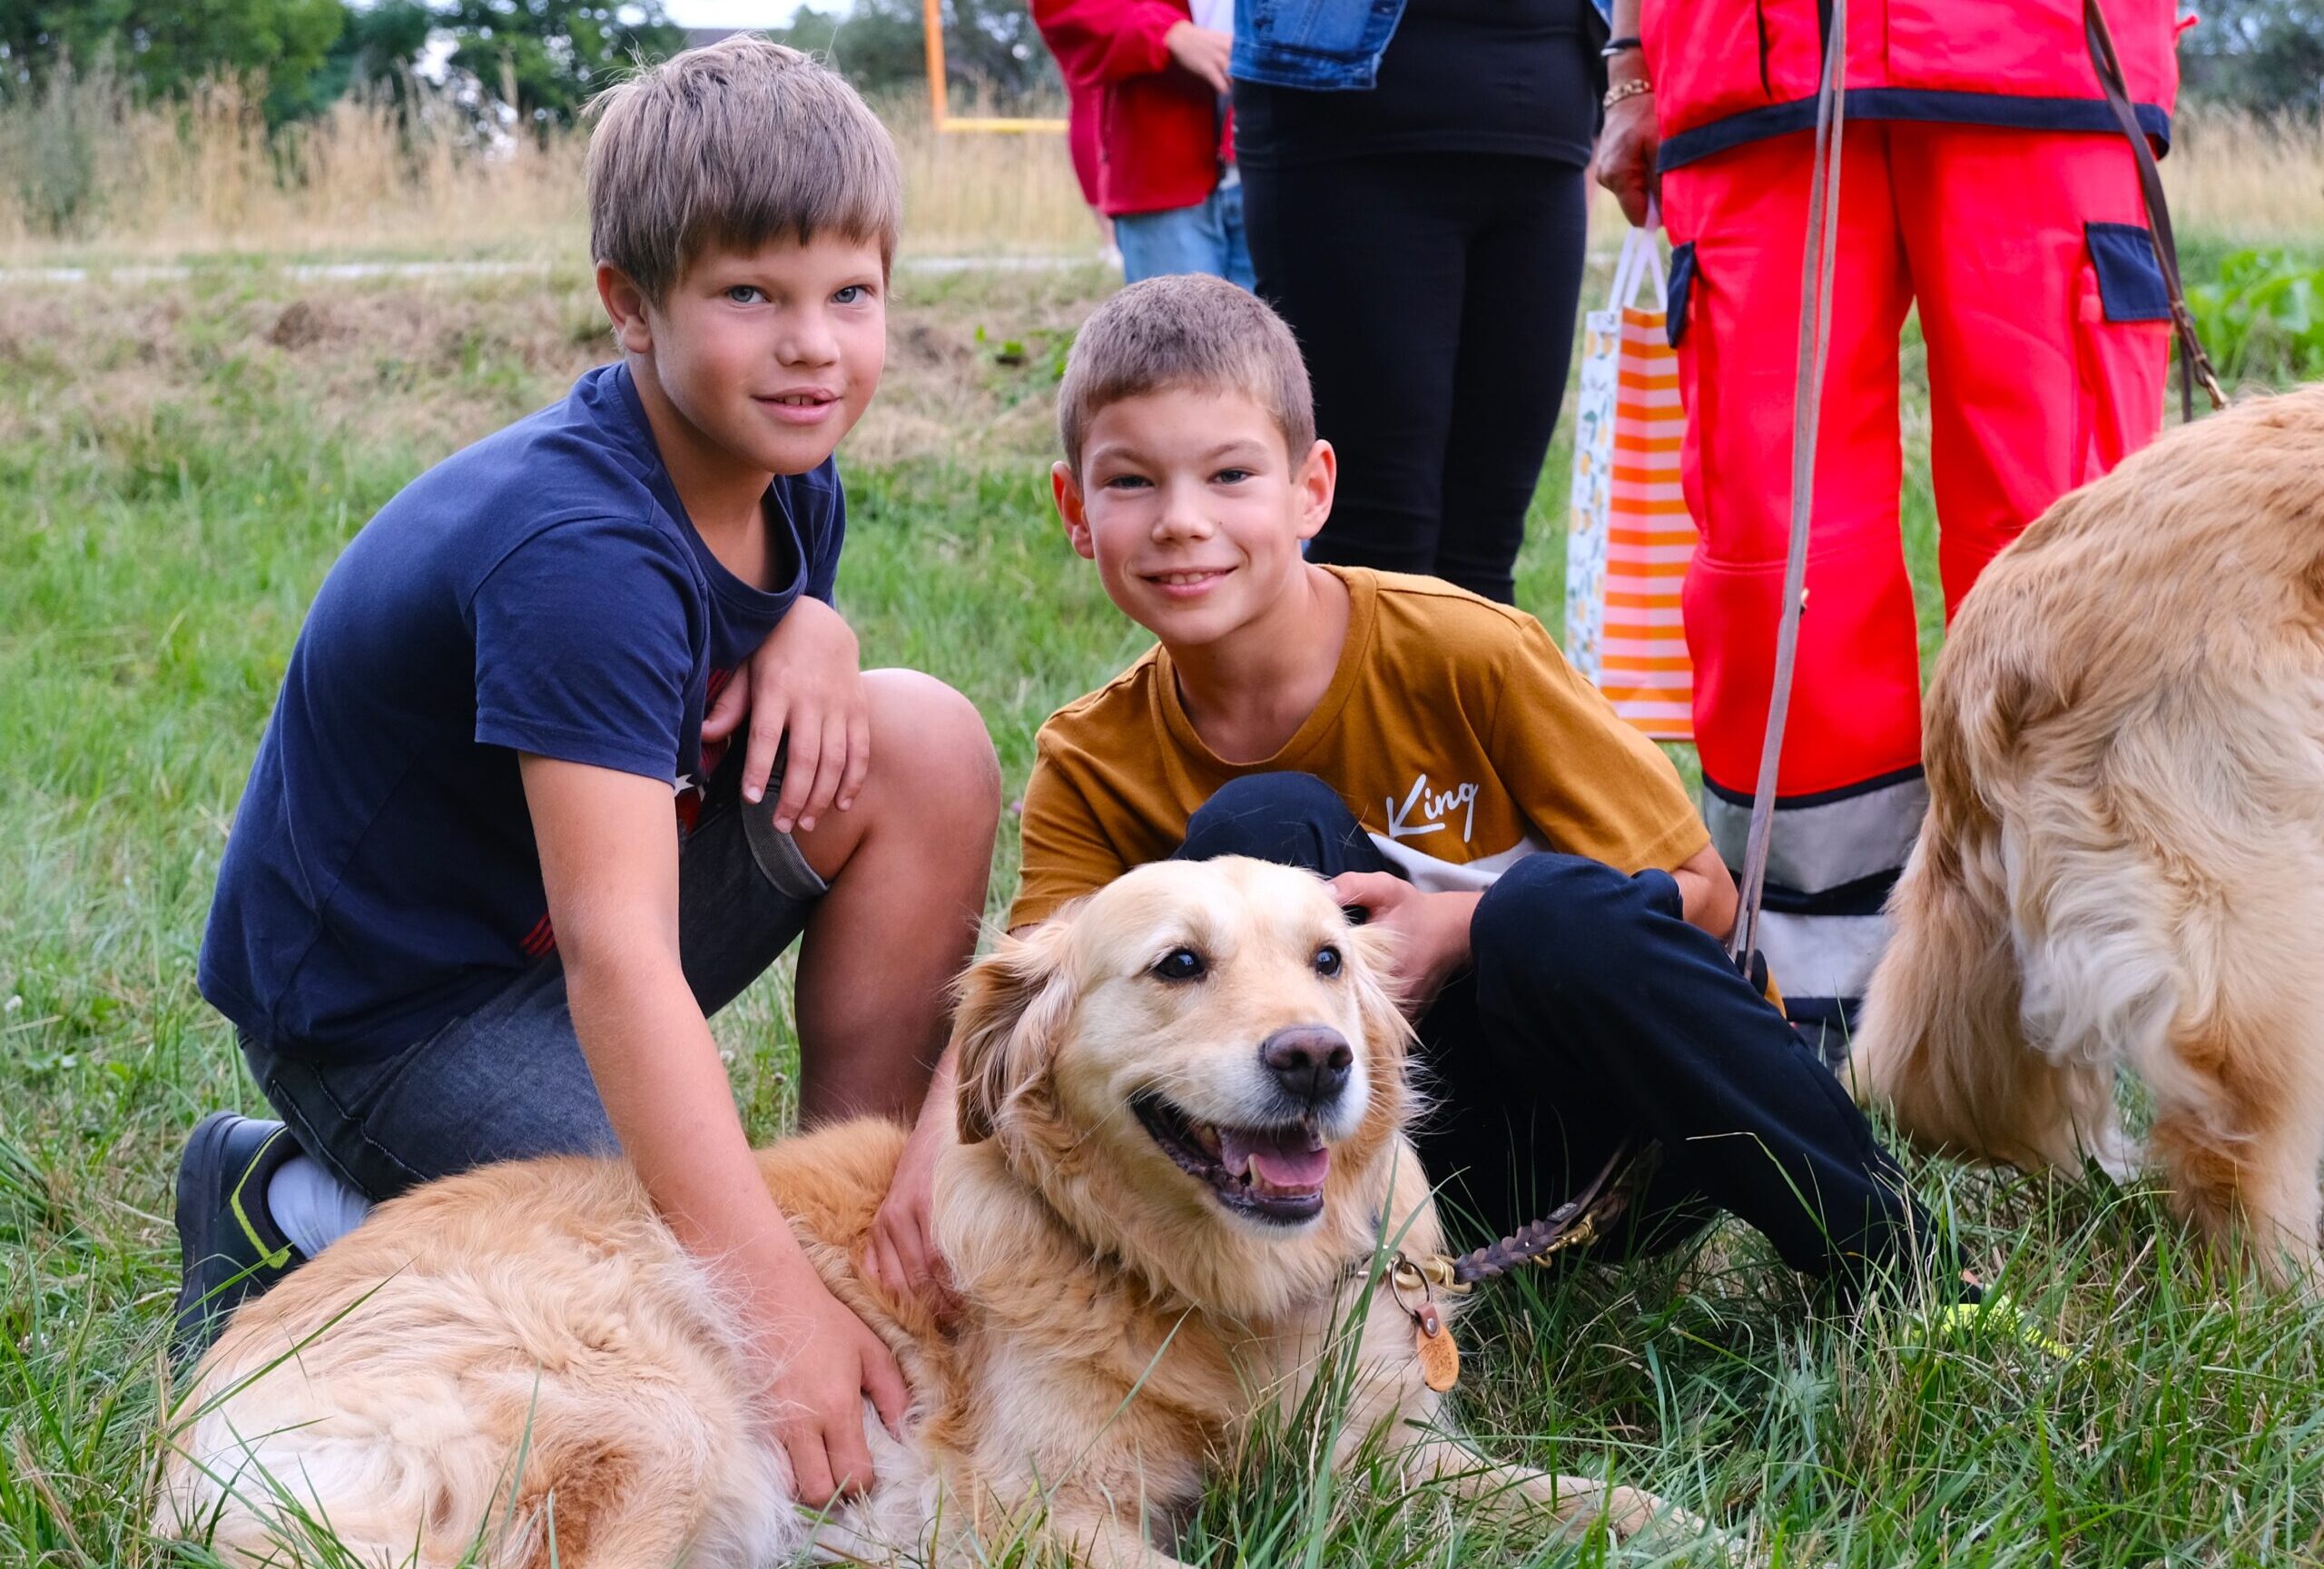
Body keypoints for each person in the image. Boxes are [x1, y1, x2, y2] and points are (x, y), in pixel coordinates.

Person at [172, 36, 1002, 1509]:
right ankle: (284, 1199)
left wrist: (817, 621)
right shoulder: (582, 560)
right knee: (648, 1261)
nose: (814, 345)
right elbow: (625, 960)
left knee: (923, 740)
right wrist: (755, 1297)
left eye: (849, 294)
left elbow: (739, 670)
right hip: (388, 1009)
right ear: (631, 305)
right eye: (751, 294)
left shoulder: (787, 467)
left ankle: (848, 1244)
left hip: (549, 923)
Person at [1017, 273, 1953, 1301]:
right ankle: (1336, 1283)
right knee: (1261, 827)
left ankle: (1896, 1263)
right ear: (1074, 508)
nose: (1181, 522)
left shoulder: (1465, 652)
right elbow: (1030, 1024)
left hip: (1638, 1123)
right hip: (1360, 1159)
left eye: (1230, 475)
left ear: (1312, 490)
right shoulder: (1092, 759)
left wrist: (1456, 926)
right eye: (1132, 483)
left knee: (1544, 909)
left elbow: (1709, 899)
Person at [1594, 0, 2184, 1049]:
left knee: (2062, 551)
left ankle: (2079, 1000)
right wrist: (1630, 65)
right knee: (1775, 562)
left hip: (2046, 53)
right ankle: (1805, 997)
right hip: (1752, 63)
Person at [1228, 0, 1611, 604]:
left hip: (1543, 110)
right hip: (1347, 116)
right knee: (1376, 536)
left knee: (1484, 548)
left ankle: (1466, 698)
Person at [1033, 0, 1251, 288]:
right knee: (1170, 328)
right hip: (1159, 164)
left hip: (1283, 158)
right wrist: (1166, 31)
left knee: (1289, 330)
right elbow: (1062, 8)